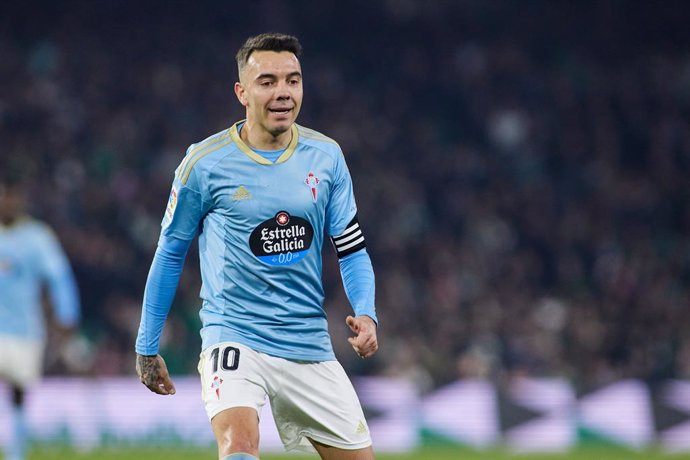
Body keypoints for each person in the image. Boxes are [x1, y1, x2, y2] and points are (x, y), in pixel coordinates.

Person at [135, 33, 379, 460]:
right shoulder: (205, 164)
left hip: (308, 345)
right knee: (239, 446)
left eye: (293, 80)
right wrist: (146, 344)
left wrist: (366, 312)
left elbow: (352, 248)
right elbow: (171, 252)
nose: (283, 92)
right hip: (234, 337)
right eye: (267, 81)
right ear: (241, 92)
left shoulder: (327, 157)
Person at [0, 174, 81, 460]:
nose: (7, 202)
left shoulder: (37, 237)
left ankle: (15, 454)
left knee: (19, 394)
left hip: (25, 331)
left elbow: (60, 278)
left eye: (11, 196)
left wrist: (67, 314)